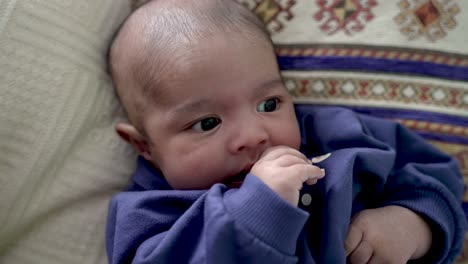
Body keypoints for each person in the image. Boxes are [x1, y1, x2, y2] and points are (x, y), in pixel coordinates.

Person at [105, 0, 466, 263]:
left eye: (269, 104)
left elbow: (435, 177)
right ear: (144, 145)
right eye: (207, 123)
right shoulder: (151, 217)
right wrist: (258, 210)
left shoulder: (339, 137)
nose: (254, 135)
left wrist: (412, 225)